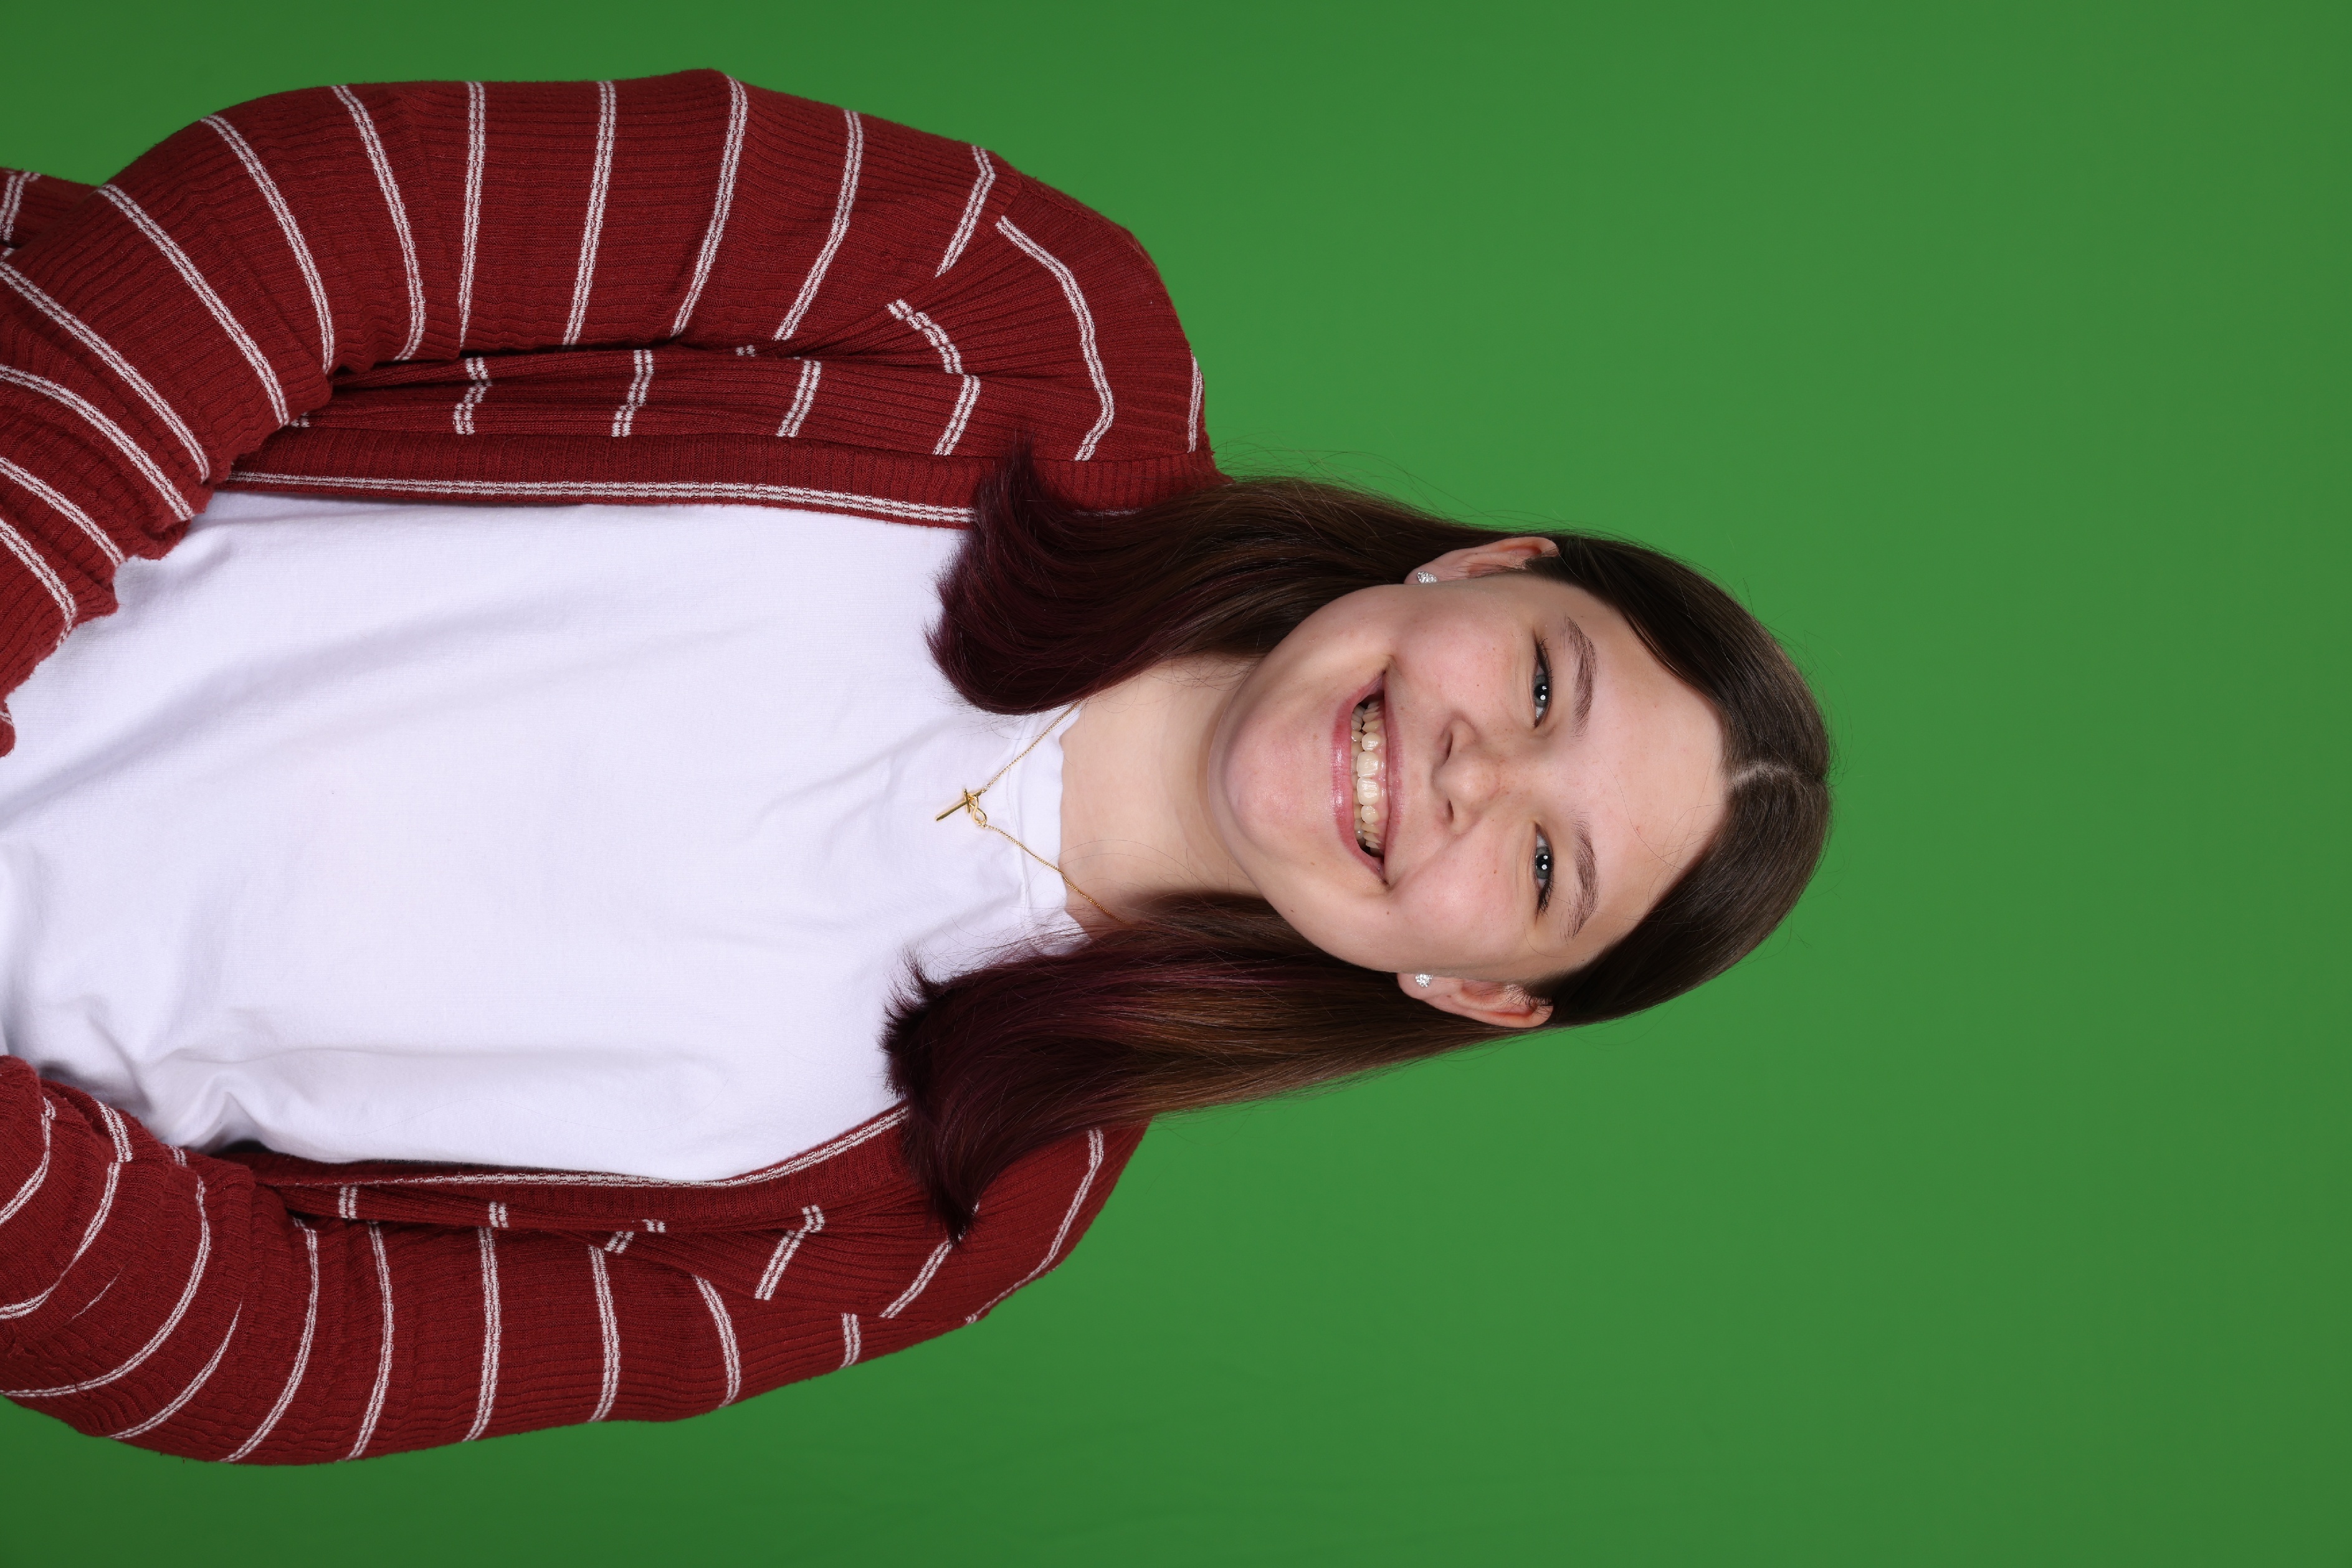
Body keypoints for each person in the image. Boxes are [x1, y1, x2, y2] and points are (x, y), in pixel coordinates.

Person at [0, 70, 1829, 1463]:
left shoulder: (953, 1223)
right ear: (1484, 567)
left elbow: (289, 1355)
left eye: (1543, 870)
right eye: (1542, 683)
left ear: (1470, 988)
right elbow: (331, 215)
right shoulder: (1027, 318)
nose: (1472, 776)